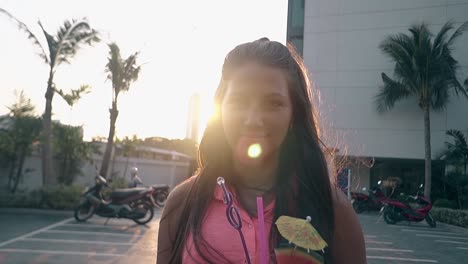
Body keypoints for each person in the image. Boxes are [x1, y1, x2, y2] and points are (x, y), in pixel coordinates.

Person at [157, 38, 366, 263]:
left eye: (273, 104)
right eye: (238, 101)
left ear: (293, 115)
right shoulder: (183, 203)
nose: (253, 120)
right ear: (220, 109)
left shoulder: (333, 208)